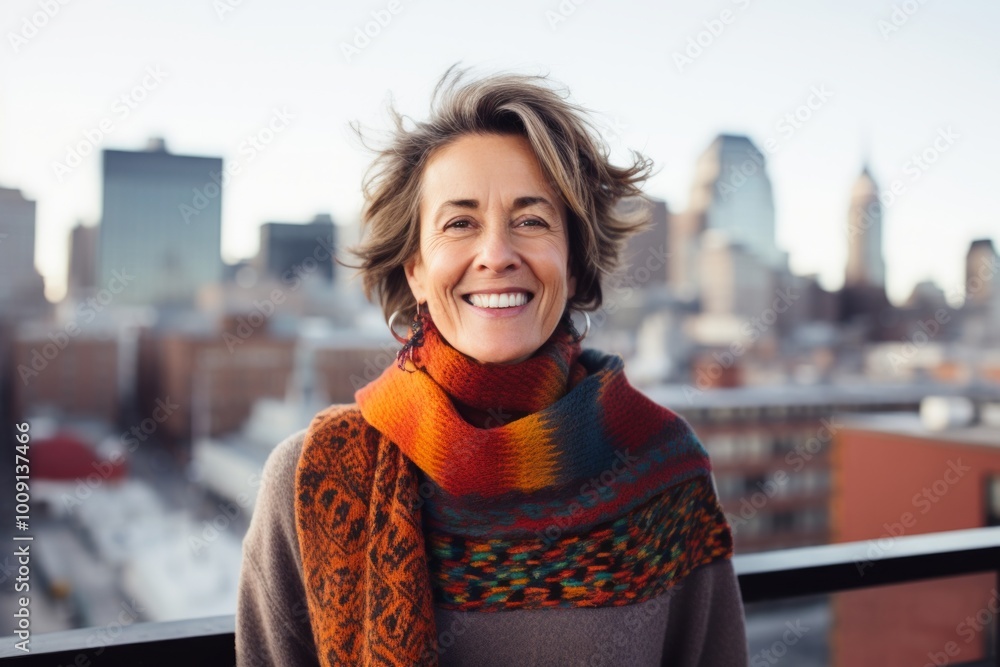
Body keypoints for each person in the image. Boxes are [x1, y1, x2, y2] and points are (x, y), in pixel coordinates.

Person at [235, 64, 748, 667]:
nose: (497, 255)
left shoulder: (662, 467)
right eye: (460, 223)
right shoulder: (312, 478)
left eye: (531, 220)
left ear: (575, 263)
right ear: (416, 271)